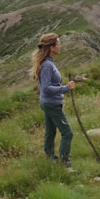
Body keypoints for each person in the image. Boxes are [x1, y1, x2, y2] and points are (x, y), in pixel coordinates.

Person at [31, 33, 75, 167]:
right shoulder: (47, 65)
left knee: (50, 132)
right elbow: (46, 88)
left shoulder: (48, 62)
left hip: (48, 103)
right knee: (67, 133)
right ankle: (64, 162)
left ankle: (50, 158)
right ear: (51, 47)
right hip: (52, 104)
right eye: (58, 43)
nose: (60, 46)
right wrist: (65, 88)